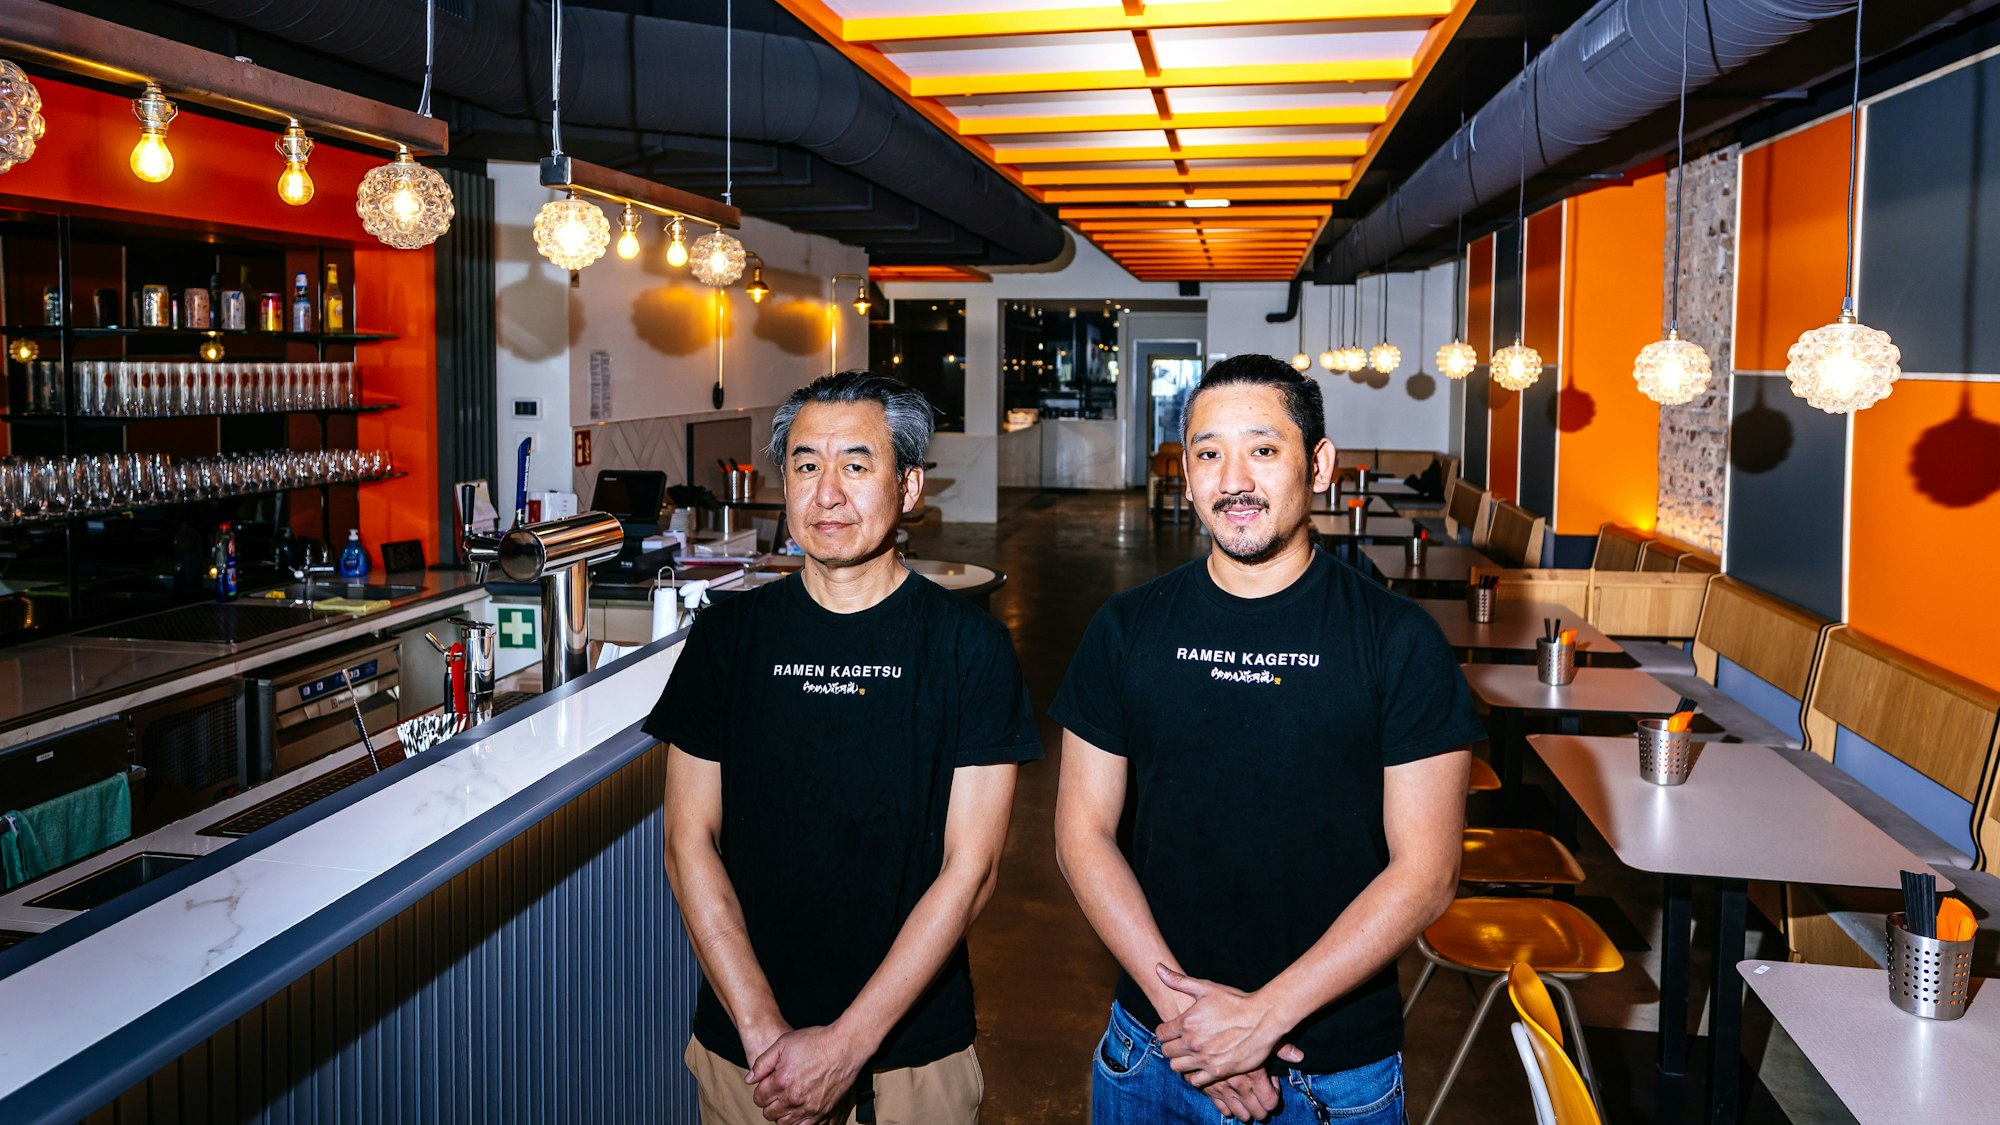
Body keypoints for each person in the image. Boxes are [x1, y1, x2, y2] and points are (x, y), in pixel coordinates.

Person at [1052, 354, 1480, 1124]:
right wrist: (1194, 1028)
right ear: (1185, 474)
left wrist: (1262, 1017)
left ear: (1318, 465)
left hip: (1332, 1072)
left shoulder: (1399, 641)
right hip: (1152, 1052)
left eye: (1263, 448)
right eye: (1208, 453)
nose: (1233, 479)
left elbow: (1428, 872)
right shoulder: (1126, 628)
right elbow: (1080, 834)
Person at [651, 371, 1041, 1125]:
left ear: (910, 487)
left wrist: (845, 1046)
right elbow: (687, 841)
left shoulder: (971, 648)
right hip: (748, 1061)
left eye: (857, 465)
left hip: (909, 1063)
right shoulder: (727, 639)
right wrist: (767, 1034)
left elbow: (973, 869)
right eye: (805, 465)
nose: (827, 493)